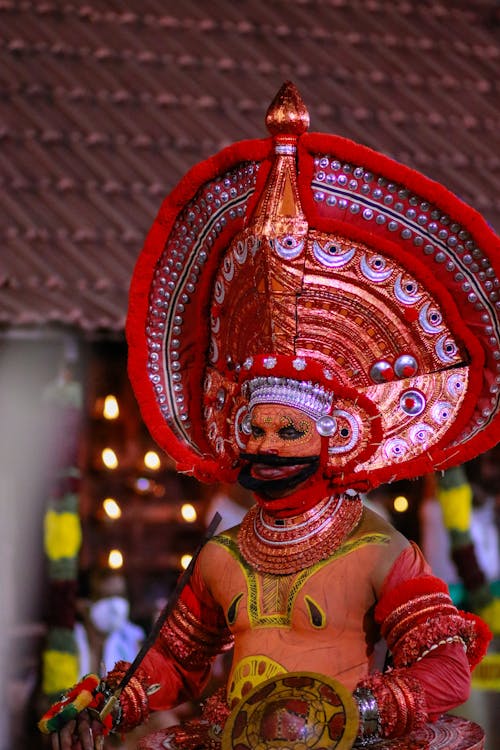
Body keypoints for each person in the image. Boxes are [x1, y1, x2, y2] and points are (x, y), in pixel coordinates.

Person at [40, 82, 500, 749]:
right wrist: (113, 705)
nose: (266, 447)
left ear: (334, 438)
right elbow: (175, 664)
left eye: (288, 432)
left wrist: (353, 716)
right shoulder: (222, 555)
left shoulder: (376, 551)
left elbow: (447, 671)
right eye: (253, 430)